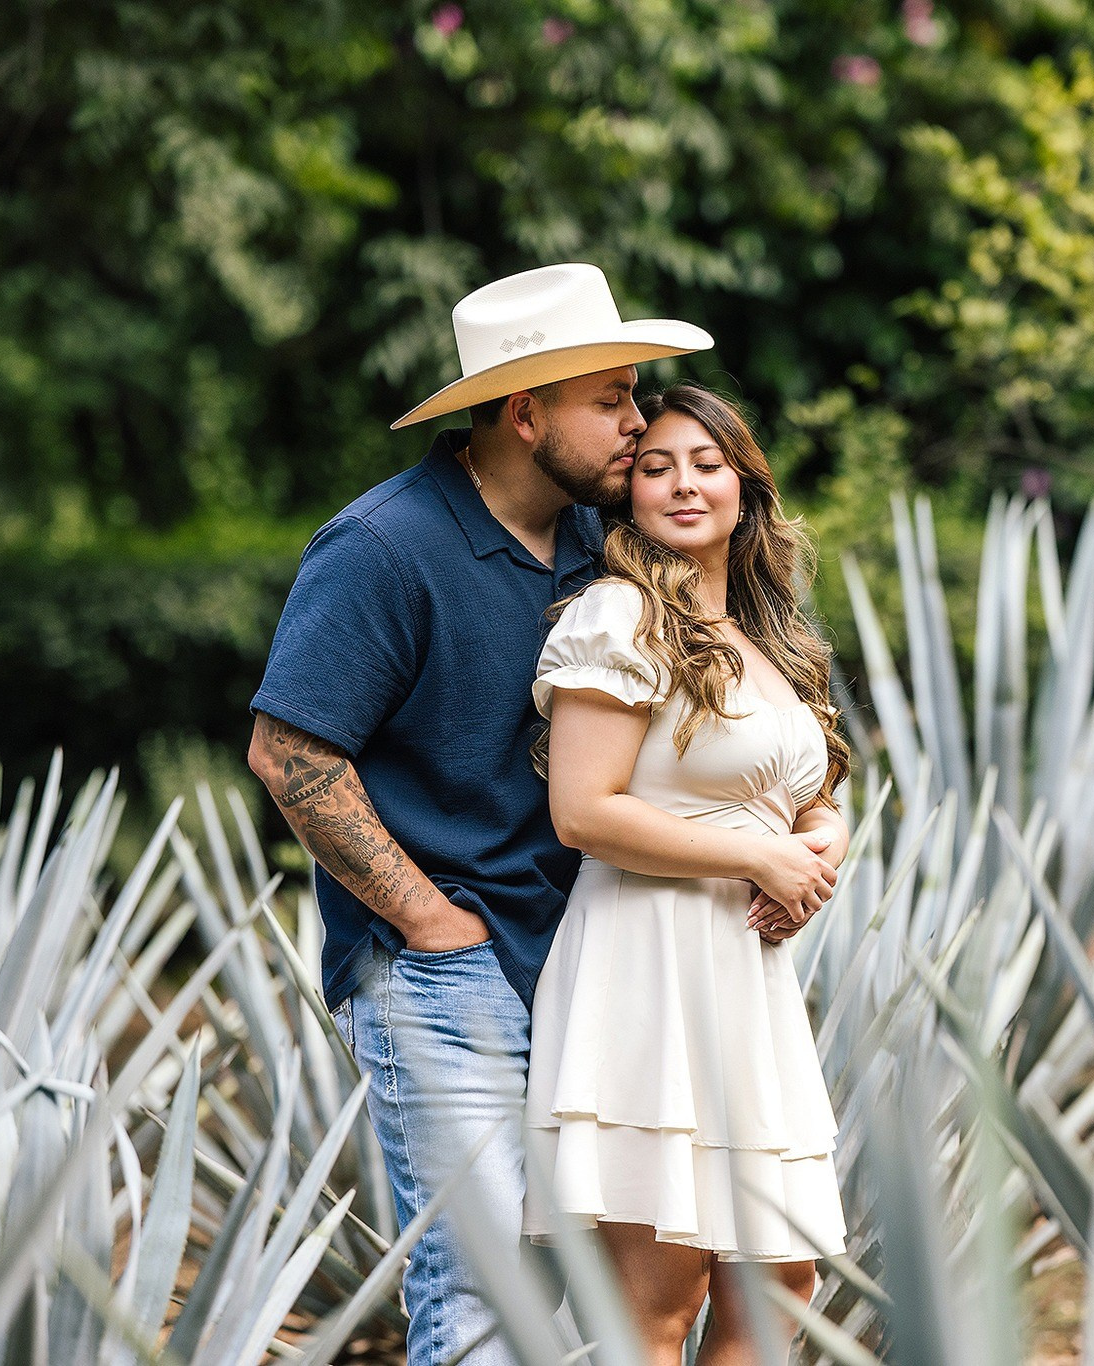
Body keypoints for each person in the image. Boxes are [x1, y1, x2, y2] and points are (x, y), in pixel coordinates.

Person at [245, 262, 714, 1366]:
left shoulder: (602, 550)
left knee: (595, 1284)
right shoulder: (381, 549)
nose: (637, 424)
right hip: (444, 970)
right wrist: (427, 920)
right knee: (481, 1287)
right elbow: (288, 749)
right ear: (522, 413)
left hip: (583, 954)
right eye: (612, 399)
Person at [523, 382, 851, 1365]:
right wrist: (757, 854)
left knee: (778, 1279)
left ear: (744, 487)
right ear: (626, 496)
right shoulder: (615, 617)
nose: (680, 484)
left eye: (705, 464)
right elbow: (583, 811)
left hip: (743, 978)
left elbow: (810, 792)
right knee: (661, 1288)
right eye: (654, 466)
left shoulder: (769, 636)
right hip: (645, 963)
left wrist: (820, 843)